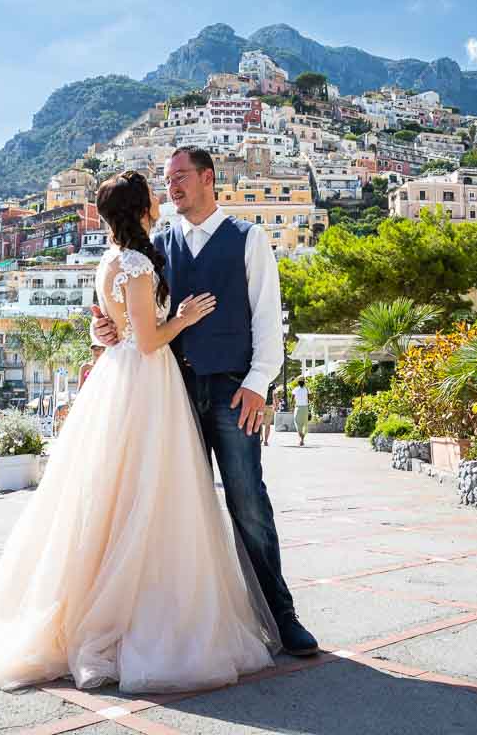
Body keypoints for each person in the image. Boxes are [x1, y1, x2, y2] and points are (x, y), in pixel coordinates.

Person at [0, 170, 278, 693]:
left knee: (119, 497)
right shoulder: (141, 258)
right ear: (141, 207)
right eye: (157, 190)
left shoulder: (118, 258)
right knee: (153, 498)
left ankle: (113, 606)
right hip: (151, 381)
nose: (166, 194)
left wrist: (113, 327)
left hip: (137, 384)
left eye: (178, 178)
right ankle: (142, 616)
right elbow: (146, 339)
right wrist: (181, 318)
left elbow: (119, 320)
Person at [94, 147, 317, 657]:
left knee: (248, 503)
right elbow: (126, 312)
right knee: (171, 509)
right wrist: (102, 329)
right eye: (166, 179)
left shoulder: (249, 238)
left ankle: (281, 616)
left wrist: (259, 382)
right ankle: (179, 623)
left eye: (181, 176)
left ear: (208, 178)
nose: (171, 186)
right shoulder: (156, 245)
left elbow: (267, 316)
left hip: (231, 391)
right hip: (169, 395)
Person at [292, 377, 310, 447]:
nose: (301, 382)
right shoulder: (302, 389)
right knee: (300, 422)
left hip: (302, 407)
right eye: (301, 381)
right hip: (301, 407)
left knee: (301, 422)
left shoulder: (305, 389)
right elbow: (292, 398)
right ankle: (301, 437)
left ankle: (301, 438)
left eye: (301, 381)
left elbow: (292, 399)